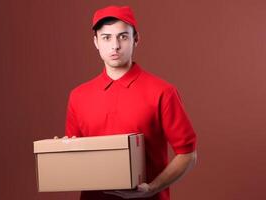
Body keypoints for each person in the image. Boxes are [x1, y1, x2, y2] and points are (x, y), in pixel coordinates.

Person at [65, 5, 197, 200]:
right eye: (106, 37)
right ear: (96, 42)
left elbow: (188, 154)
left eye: (123, 36)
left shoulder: (163, 91)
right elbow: (74, 157)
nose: (115, 45)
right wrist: (61, 150)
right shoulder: (78, 96)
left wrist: (152, 188)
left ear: (136, 39)